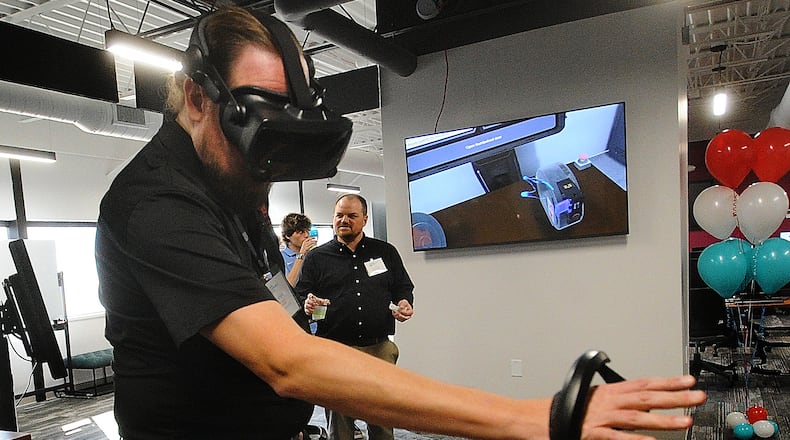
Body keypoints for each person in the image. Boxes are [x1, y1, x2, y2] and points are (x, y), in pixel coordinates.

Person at [94, 6, 706, 440]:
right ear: (196, 100)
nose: (265, 174)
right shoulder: (157, 204)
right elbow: (287, 362)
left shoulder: (232, 183)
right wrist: (532, 417)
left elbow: (279, 311)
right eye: (251, 138)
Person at [295, 193, 414, 440]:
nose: (344, 220)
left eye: (351, 215)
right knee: (340, 422)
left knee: (381, 418)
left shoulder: (385, 251)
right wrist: (308, 303)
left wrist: (404, 302)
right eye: (339, 215)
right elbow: (302, 295)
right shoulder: (317, 257)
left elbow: (403, 287)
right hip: (335, 349)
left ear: (365, 219)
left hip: (378, 347)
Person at [280, 213, 318, 286]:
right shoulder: (281, 256)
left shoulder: (312, 255)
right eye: (301, 232)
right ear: (288, 235)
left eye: (307, 231)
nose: (306, 235)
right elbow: (288, 287)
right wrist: (301, 255)